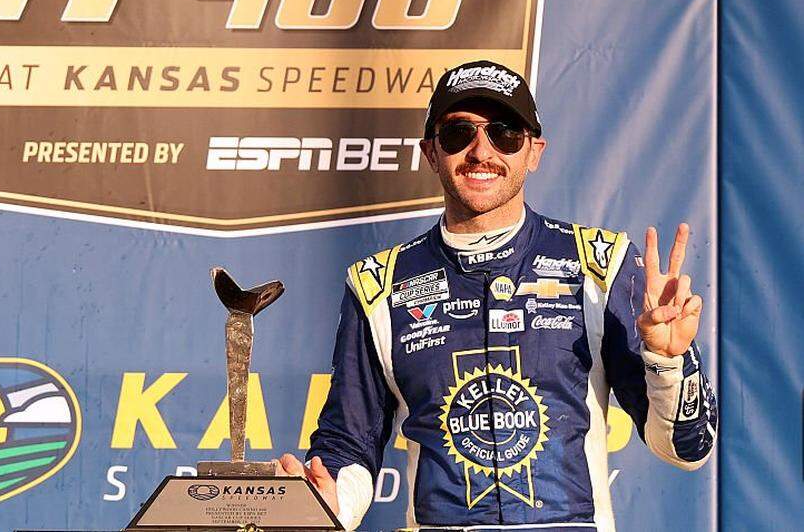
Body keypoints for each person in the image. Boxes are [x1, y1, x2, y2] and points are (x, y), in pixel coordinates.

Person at [277, 60, 717, 531]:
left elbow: (687, 451)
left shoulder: (601, 264)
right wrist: (327, 505)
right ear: (431, 152)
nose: (480, 150)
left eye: (505, 133)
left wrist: (669, 363)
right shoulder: (377, 285)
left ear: (534, 151)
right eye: (458, 133)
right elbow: (349, 444)